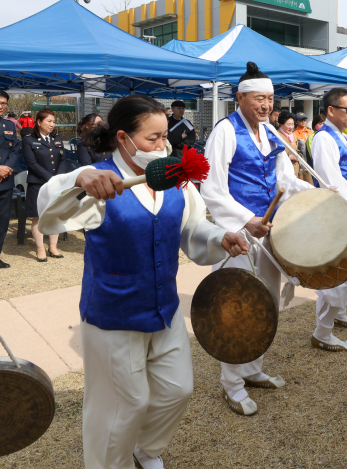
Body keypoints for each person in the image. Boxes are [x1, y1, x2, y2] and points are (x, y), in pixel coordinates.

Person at [36, 95, 249, 469]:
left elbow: (193, 228)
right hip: (113, 315)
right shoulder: (99, 183)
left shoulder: (175, 181)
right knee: (121, 405)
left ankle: (146, 449)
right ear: (123, 138)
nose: (164, 146)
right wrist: (79, 178)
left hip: (164, 309)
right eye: (153, 138)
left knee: (177, 389)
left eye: (165, 136)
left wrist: (220, 238)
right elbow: (50, 208)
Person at [201, 62, 313, 416]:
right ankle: (231, 384)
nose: (266, 106)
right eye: (259, 99)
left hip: (270, 232)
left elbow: (284, 181)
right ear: (240, 98)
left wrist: (312, 194)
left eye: (270, 99)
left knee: (267, 302)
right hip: (240, 234)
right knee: (238, 307)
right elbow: (211, 187)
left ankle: (252, 369)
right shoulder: (225, 131)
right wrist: (247, 220)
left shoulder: (272, 134)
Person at [311, 88, 347, 349]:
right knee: (338, 274)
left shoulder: (342, 137)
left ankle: (338, 315)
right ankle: (322, 332)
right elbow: (331, 180)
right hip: (339, 213)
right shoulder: (324, 139)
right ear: (331, 111)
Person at [22, 109, 66, 262]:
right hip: (38, 184)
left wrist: (58, 179)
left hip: (56, 184)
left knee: (55, 216)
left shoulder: (57, 139)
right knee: (38, 217)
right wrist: (50, 179)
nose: (52, 124)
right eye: (48, 121)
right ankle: (40, 248)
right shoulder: (29, 140)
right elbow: (32, 163)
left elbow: (62, 160)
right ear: (39, 122)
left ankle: (53, 246)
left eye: (53, 121)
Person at [0, 90, 19, 269]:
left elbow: (14, 150)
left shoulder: (9, 125)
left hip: (5, 181)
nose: (1, 106)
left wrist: (5, 169)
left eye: (4, 103)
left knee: (3, 221)